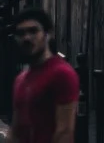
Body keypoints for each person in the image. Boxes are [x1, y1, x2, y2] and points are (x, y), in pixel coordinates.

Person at [8, 8, 79, 143]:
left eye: (33, 31)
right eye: (21, 33)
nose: (27, 38)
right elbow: (16, 131)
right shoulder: (21, 79)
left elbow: (64, 132)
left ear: (47, 34)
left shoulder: (61, 74)